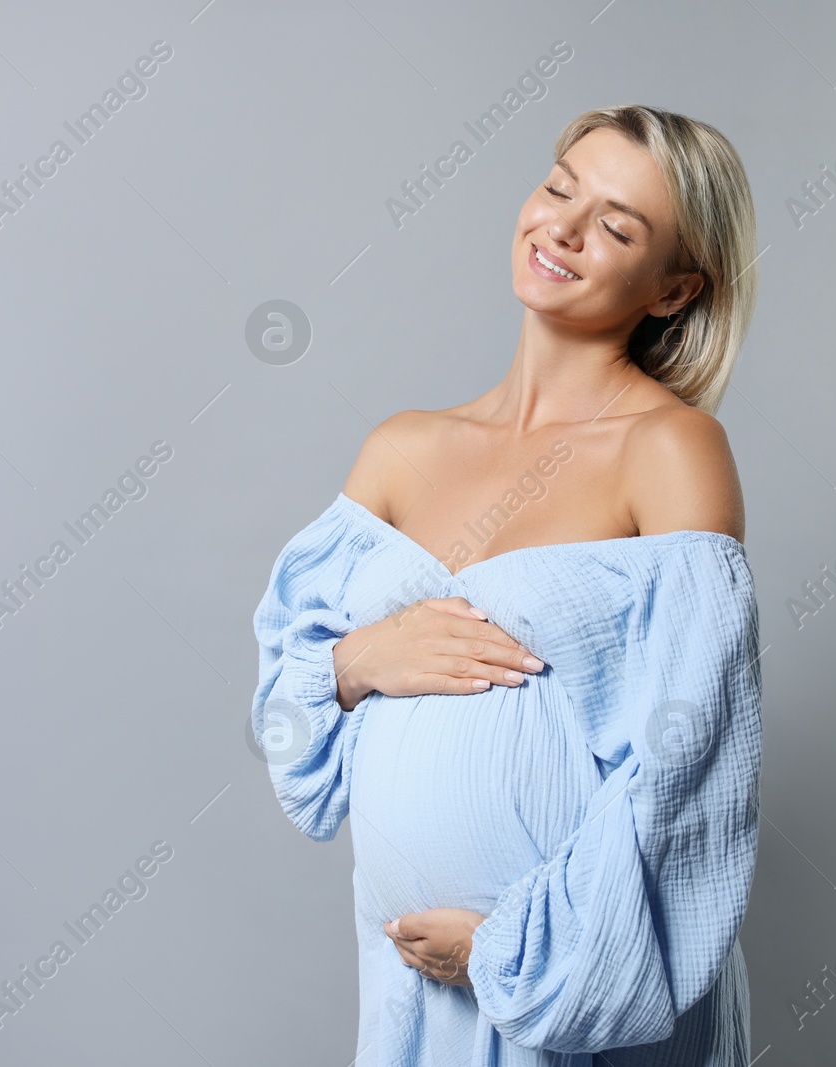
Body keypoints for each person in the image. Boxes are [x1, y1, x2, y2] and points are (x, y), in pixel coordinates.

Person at [253, 104, 764, 1065]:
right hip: (413, 994)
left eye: (617, 227)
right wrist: (359, 660)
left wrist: (514, 951)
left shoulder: (671, 449)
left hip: (586, 989)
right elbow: (286, 734)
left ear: (673, 290)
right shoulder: (402, 449)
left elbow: (693, 756)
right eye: (560, 188)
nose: (563, 229)